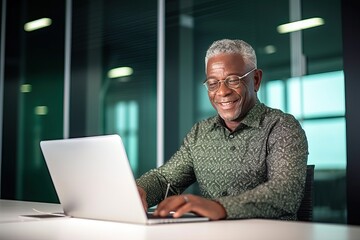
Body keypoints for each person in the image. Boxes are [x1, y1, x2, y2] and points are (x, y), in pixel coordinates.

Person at [136, 39, 308, 221]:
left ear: (256, 80)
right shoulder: (200, 133)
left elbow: (285, 192)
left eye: (233, 80)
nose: (222, 92)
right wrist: (140, 190)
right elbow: (164, 179)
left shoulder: (282, 127)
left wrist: (220, 207)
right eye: (212, 83)